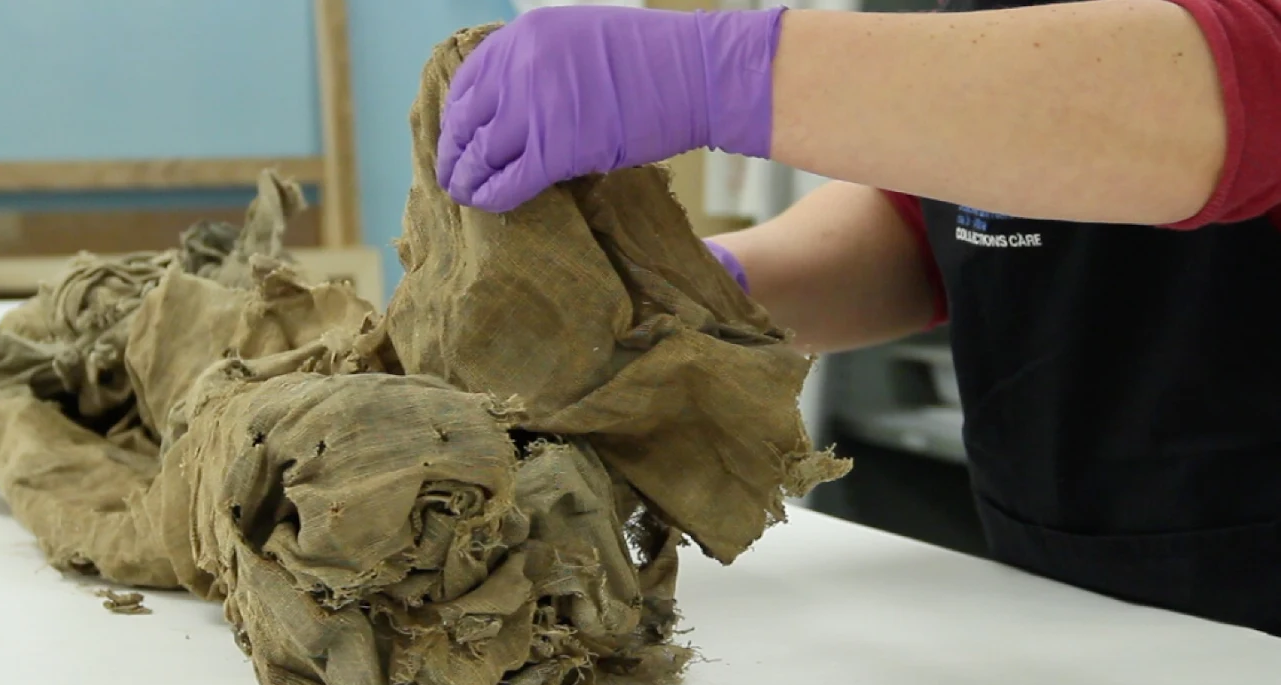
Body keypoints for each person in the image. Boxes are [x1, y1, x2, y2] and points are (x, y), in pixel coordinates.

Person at [434, 1, 1281, 636]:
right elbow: (946, 222)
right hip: (1069, 604)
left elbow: (1243, 90)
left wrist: (723, 71)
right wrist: (696, 300)